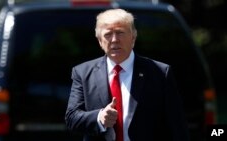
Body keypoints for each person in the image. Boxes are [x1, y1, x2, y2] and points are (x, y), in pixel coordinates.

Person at [65, 8, 190, 141]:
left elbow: (177, 126)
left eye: (120, 33)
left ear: (133, 38)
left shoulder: (159, 72)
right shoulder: (83, 73)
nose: (114, 40)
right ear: (100, 41)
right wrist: (99, 117)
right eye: (108, 34)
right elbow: (72, 118)